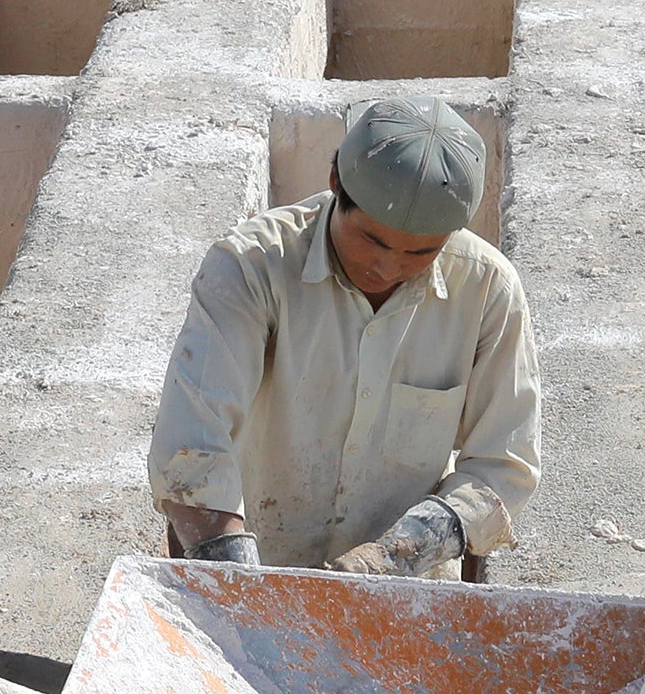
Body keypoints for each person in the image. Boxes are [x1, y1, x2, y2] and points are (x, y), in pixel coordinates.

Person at [148, 96, 541, 575]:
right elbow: (193, 444)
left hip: (403, 591)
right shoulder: (251, 268)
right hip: (261, 566)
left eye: (420, 253)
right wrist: (245, 592)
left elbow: (504, 465)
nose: (387, 267)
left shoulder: (487, 289)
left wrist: (389, 559)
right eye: (373, 241)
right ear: (336, 183)